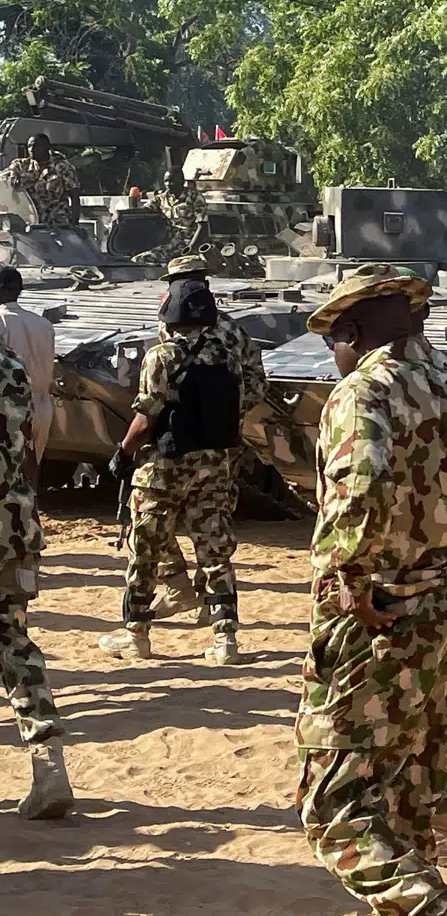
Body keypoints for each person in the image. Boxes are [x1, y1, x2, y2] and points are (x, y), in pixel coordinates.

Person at [296, 264, 447, 916]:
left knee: (337, 812)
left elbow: (361, 490)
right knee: (411, 798)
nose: (334, 355)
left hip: (376, 612)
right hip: (442, 609)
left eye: (333, 340)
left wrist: (348, 584)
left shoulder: (363, 393)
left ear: (351, 329)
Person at [97, 278, 246, 665]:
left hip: (164, 468)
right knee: (214, 552)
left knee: (145, 551)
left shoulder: (162, 356)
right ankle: (225, 639)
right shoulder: (227, 355)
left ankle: (137, 635)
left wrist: (122, 453)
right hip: (213, 466)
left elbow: (147, 417)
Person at [147, 255, 267, 625]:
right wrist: (227, 411)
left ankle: (177, 584)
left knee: (151, 516)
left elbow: (161, 388)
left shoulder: (171, 328)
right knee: (213, 524)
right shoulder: (232, 329)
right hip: (223, 441)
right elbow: (257, 383)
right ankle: (209, 602)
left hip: (176, 441)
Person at [0, 340, 73, 820]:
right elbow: (28, 449)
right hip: (13, 524)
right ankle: (50, 767)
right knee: (13, 642)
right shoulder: (11, 366)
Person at [0, 266, 56, 463]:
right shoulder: (44, 324)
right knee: (30, 476)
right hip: (42, 408)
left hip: (9, 411)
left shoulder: (1, 321)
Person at [0, 134, 81, 228]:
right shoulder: (22, 166)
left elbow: (75, 197)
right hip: (32, 224)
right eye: (29, 146)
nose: (31, 150)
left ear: (47, 147)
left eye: (36, 146)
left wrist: (75, 225)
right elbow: (6, 175)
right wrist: (13, 174)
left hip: (58, 222)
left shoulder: (63, 167)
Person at [134, 168, 208, 266]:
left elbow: (202, 226)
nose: (168, 184)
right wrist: (121, 213)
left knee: (141, 259)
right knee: (136, 258)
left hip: (186, 242)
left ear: (182, 181)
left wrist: (190, 249)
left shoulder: (194, 197)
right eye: (166, 181)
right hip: (168, 241)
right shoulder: (162, 198)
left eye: (172, 181)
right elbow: (142, 211)